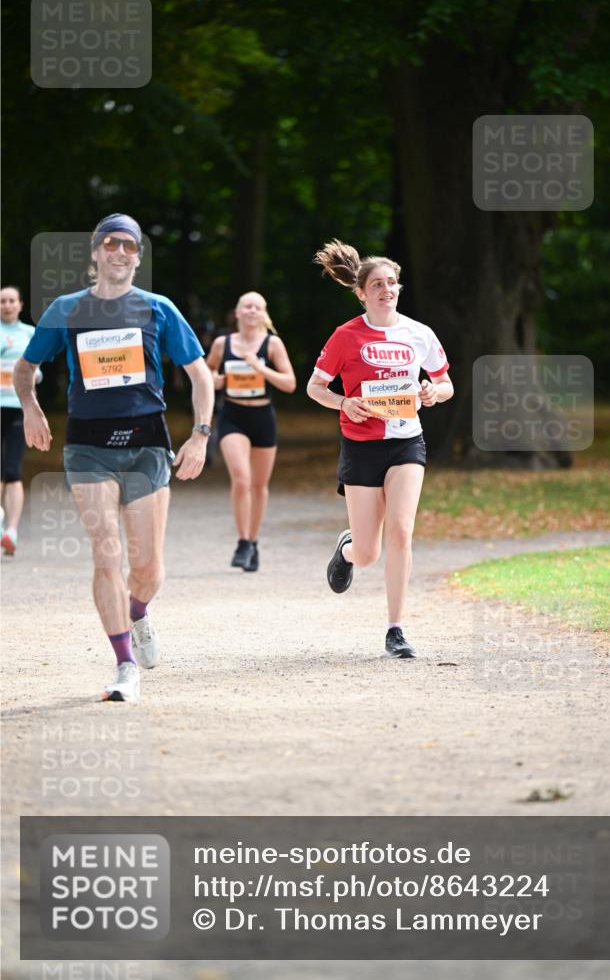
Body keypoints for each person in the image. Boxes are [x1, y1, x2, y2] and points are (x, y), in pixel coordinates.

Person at [13, 213, 214, 701]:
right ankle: (124, 664)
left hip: (147, 443)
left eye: (129, 246)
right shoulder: (66, 309)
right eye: (111, 244)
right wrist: (31, 410)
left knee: (148, 568)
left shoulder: (157, 308)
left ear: (137, 258)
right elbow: (25, 368)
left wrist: (200, 436)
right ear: (96, 252)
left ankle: (138, 610)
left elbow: (201, 376)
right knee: (106, 551)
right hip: (88, 445)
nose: (120, 252)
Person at [307, 239, 454, 659]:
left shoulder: (418, 333)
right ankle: (348, 548)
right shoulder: (345, 336)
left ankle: (396, 628)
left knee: (402, 530)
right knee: (369, 552)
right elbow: (315, 387)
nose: (386, 290)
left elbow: (446, 384)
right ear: (361, 292)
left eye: (392, 283)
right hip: (361, 446)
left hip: (407, 440)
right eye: (377, 284)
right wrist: (343, 402)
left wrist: (433, 392)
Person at [206, 291, 296, 571]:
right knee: (242, 479)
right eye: (247, 306)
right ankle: (243, 541)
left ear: (263, 313)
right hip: (233, 415)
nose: (252, 310)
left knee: (258, 486)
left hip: (263, 417)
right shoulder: (223, 343)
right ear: (238, 312)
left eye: (258, 307)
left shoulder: (272, 344)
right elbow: (205, 373)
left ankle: (253, 542)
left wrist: (260, 368)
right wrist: (215, 380)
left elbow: (290, 383)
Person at [1, 285, 41, 555]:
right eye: (2, 301)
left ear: (20, 304)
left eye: (11, 300)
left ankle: (11, 531)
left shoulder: (31, 334)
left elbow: (39, 374)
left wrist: (28, 378)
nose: (6, 305)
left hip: (19, 408)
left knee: (13, 470)